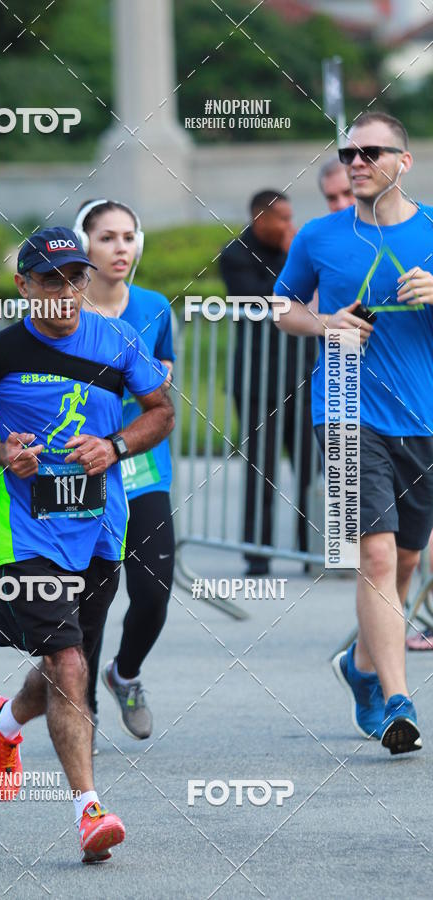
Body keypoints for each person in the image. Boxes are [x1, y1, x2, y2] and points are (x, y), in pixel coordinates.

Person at [0, 226, 174, 862]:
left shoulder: (119, 341)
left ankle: (5, 721)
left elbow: (161, 410)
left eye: (75, 277)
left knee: (67, 662)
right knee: (70, 663)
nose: (65, 291)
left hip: (99, 525)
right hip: (24, 529)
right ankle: (89, 811)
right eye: (50, 279)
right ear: (24, 286)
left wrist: (116, 445)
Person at [274, 112, 433, 754]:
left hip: (422, 418)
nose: (356, 162)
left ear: (405, 161)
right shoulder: (318, 235)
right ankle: (397, 700)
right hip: (342, 410)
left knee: (406, 561)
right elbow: (281, 307)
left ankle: (360, 667)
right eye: (349, 153)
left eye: (371, 152)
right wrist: (324, 324)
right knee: (374, 555)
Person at [72, 199, 176, 744]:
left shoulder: (156, 306)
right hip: (81, 472)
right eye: (108, 237)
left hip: (141, 468)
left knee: (154, 591)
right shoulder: (65, 309)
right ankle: (81, 706)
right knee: (92, 596)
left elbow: (160, 390)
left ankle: (124, 673)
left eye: (129, 237)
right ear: (85, 244)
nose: (121, 248)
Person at [219, 190, 314, 575]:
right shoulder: (235, 254)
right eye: (282, 219)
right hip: (259, 381)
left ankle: (312, 550)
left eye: (292, 218)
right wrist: (295, 258)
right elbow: (270, 302)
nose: (289, 226)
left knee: (311, 465)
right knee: (263, 467)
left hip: (304, 376)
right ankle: (257, 555)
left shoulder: (297, 249)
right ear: (260, 218)